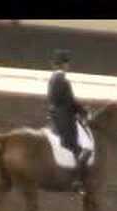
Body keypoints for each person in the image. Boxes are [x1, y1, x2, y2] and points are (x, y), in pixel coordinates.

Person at [47, 49, 91, 194]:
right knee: (85, 148)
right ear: (64, 65)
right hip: (64, 119)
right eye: (67, 63)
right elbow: (70, 102)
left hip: (55, 116)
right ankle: (77, 181)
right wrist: (83, 111)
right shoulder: (63, 81)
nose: (68, 66)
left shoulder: (53, 79)